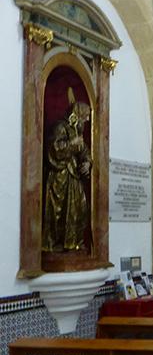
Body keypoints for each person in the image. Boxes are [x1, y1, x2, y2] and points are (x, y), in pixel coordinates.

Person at [42, 90, 92, 252]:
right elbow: (54, 149)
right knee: (59, 212)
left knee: (80, 210)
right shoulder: (61, 127)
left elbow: (84, 151)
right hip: (60, 176)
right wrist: (72, 144)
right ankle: (56, 244)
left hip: (74, 177)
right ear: (77, 114)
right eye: (85, 116)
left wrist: (87, 162)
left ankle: (74, 242)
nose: (87, 120)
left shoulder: (77, 131)